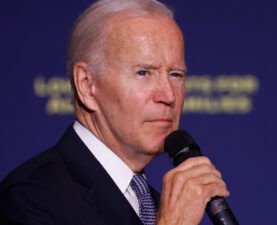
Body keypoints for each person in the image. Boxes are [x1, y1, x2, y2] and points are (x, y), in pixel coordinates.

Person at [0, 0, 229, 224]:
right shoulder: (31, 198)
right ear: (87, 84)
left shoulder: (157, 206)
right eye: (143, 73)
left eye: (176, 75)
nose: (169, 96)